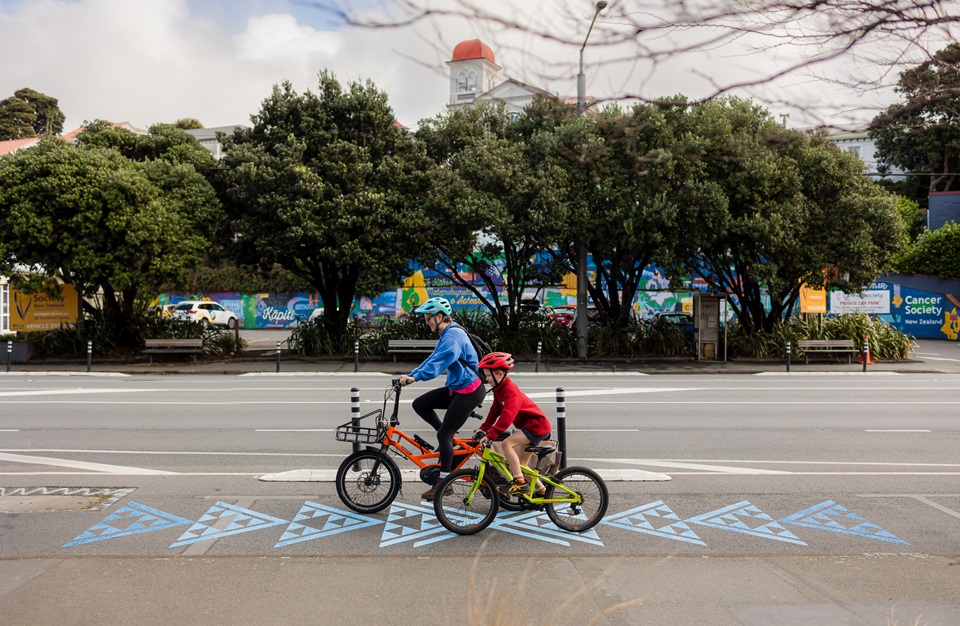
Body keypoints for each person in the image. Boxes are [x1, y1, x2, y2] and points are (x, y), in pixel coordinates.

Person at [398, 297, 486, 501]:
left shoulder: (453, 336)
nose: (426, 322)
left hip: (469, 391)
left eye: (428, 318)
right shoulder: (447, 333)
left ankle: (444, 483)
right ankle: (447, 441)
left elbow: (439, 362)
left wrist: (414, 378)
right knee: (420, 404)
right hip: (458, 388)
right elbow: (432, 358)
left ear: (439, 317)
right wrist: (412, 373)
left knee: (445, 434)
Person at [474, 352, 552, 497]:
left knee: (506, 444)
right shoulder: (500, 389)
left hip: (536, 426)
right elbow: (495, 410)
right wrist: (483, 428)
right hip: (530, 426)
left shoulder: (510, 390)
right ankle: (542, 491)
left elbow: (507, 416)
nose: (486, 378)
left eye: (489, 375)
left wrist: (491, 435)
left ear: (499, 374)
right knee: (522, 466)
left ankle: (520, 484)